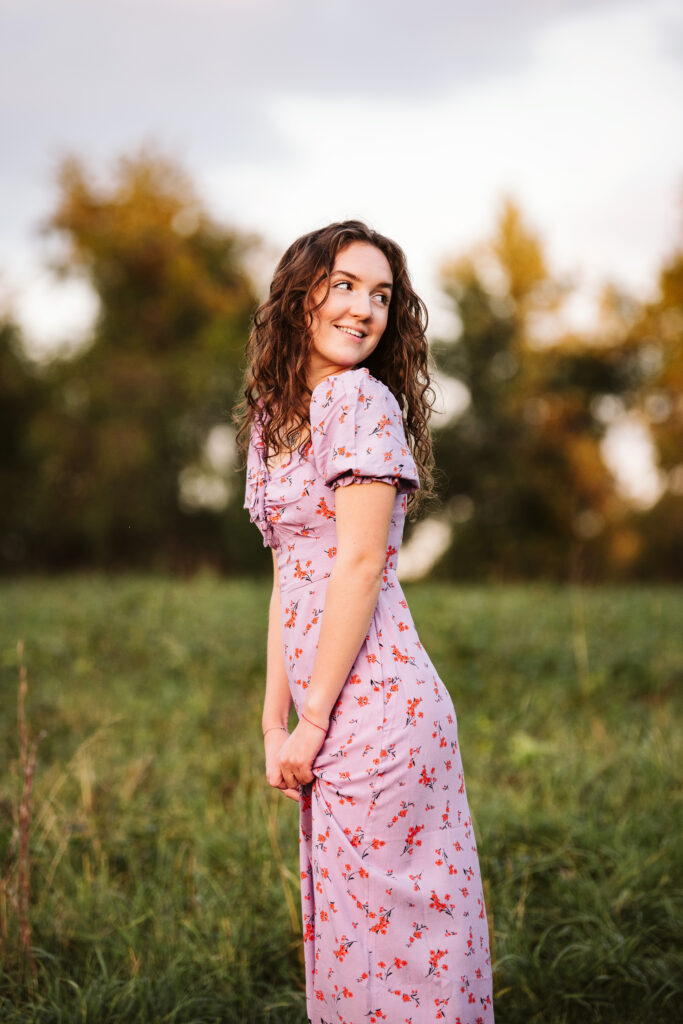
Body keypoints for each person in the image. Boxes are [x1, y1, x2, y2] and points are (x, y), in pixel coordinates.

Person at [236, 220, 494, 1024]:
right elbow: (290, 577)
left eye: (380, 294)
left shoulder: (356, 400)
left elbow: (356, 563)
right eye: (343, 285)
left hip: (377, 709)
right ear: (298, 294)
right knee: (354, 946)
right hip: (327, 709)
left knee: (401, 959)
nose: (363, 309)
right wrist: (272, 721)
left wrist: (311, 719)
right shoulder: (276, 418)